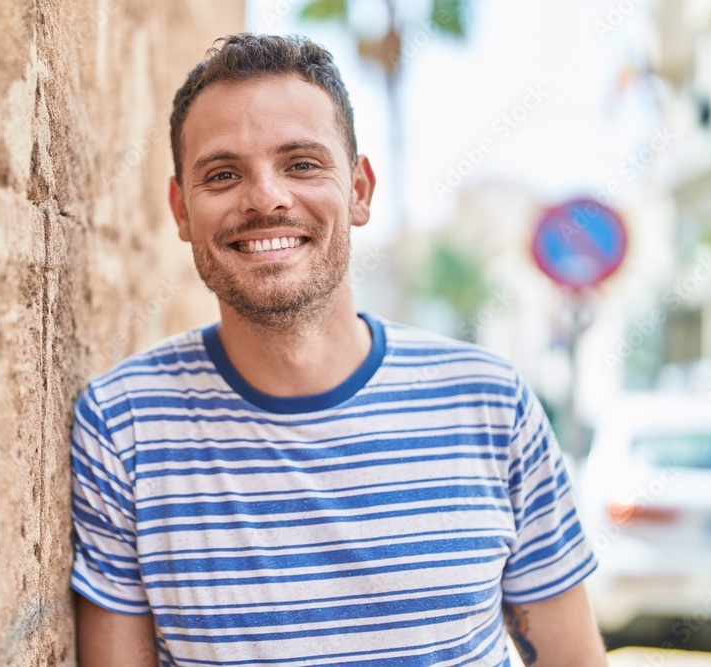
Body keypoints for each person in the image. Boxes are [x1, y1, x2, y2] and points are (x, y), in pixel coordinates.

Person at [69, 33, 607, 667]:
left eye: (301, 164)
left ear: (359, 190)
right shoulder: (122, 426)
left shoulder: (490, 404)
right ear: (181, 210)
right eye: (222, 174)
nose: (266, 198)